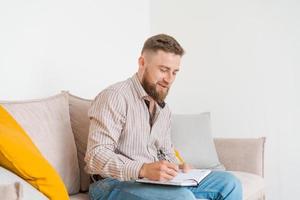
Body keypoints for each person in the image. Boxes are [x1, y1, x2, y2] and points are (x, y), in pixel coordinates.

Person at [84, 34, 242, 200]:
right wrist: (143, 169)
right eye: (164, 70)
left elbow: (165, 151)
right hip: (111, 183)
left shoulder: (164, 109)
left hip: (151, 182)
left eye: (174, 72)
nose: (169, 79)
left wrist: (178, 168)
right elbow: (96, 155)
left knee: (230, 183)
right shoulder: (115, 97)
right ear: (142, 63)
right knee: (183, 197)